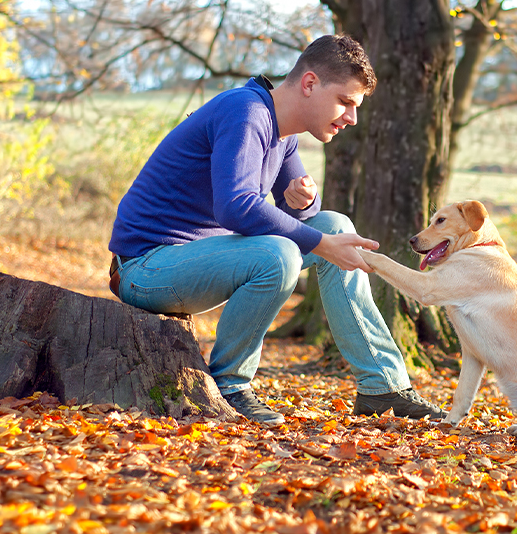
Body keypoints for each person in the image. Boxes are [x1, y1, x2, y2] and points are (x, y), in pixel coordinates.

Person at [108, 34, 445, 425]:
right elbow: (236, 207)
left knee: (336, 224)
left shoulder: (284, 135)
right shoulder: (245, 112)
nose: (351, 117)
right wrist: (318, 242)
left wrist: (302, 200)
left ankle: (382, 385)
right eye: (346, 102)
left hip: (205, 260)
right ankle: (230, 385)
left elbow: (300, 220)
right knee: (281, 253)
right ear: (309, 83)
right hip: (146, 268)